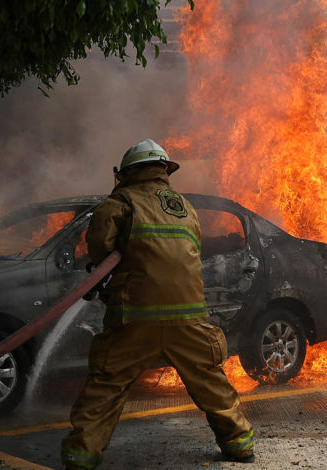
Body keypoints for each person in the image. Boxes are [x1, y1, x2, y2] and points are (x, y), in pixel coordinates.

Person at [61, 139, 254, 470]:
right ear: (164, 170)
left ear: (127, 172)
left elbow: (99, 246)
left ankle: (82, 456)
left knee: (106, 385)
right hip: (189, 319)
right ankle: (240, 445)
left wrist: (109, 286)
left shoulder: (120, 201)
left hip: (135, 319)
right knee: (210, 382)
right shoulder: (185, 207)